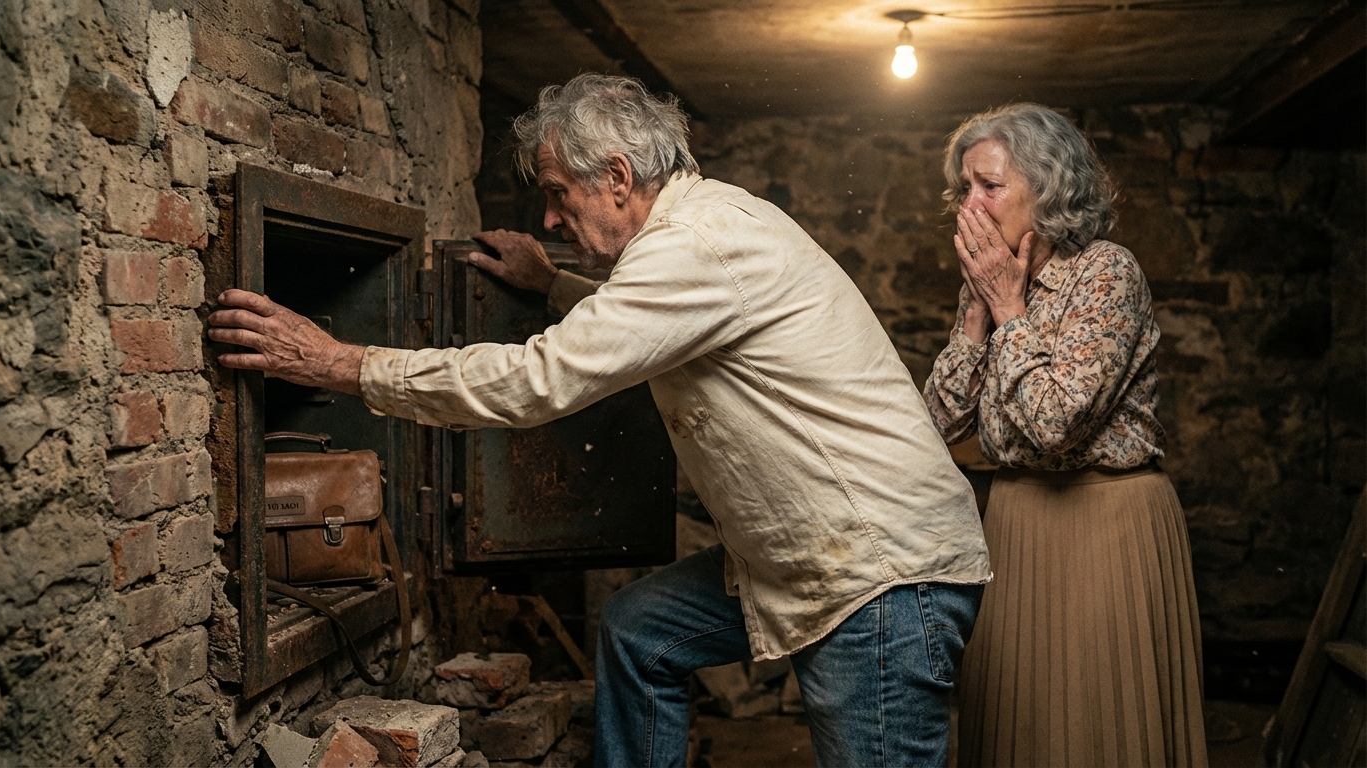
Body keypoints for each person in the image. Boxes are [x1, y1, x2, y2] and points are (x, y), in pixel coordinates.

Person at [209, 73, 991, 767]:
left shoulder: (693, 244)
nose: (551, 217)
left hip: (881, 576)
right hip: (824, 554)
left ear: (617, 177)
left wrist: (341, 364)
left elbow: (543, 378)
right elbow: (641, 325)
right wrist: (551, 286)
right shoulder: (702, 230)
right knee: (642, 631)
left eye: (557, 193)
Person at [923, 102, 1208, 767]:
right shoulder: (988, 284)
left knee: (1097, 727)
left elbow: (1051, 422)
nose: (970, 204)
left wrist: (1007, 309)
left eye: (988, 185)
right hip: (1017, 524)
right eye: (964, 187)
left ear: (1047, 188)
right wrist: (972, 319)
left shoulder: (1108, 274)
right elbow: (936, 425)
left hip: (1105, 526)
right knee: (1018, 724)